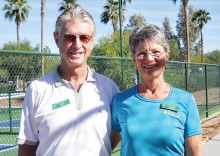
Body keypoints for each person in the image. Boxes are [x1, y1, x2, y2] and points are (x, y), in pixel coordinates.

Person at [17, 7, 119, 156]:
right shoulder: (37, 89)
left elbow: (115, 135)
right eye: (69, 38)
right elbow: (27, 146)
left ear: (92, 40)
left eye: (84, 38)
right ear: (57, 39)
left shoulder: (109, 88)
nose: (77, 45)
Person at [111, 24, 203, 156]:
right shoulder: (120, 101)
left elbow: (195, 153)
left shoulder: (186, 101)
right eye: (142, 53)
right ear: (134, 59)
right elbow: (104, 147)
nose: (149, 58)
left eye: (156, 52)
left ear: (167, 55)